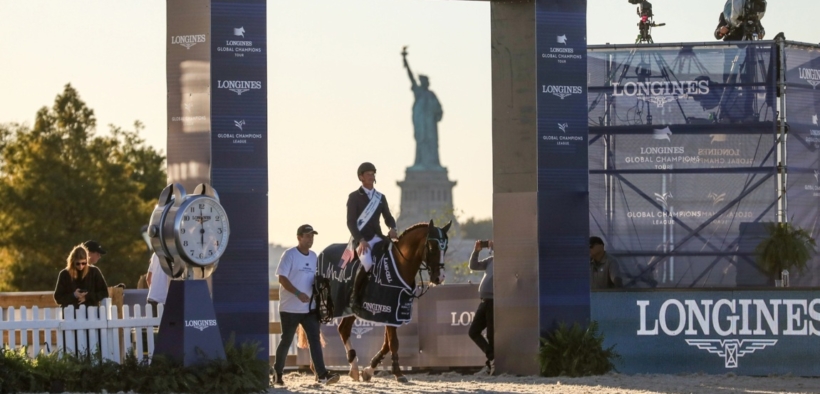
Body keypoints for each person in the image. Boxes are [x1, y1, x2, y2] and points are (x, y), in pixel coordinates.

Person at [272, 224, 339, 387]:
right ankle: (278, 372)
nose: (310, 239)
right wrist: (297, 293)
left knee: (314, 340)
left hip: (310, 308)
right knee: (286, 340)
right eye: (307, 236)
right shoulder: (290, 255)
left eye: (312, 236)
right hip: (290, 309)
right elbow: (282, 278)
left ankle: (322, 374)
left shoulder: (314, 256)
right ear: (299, 237)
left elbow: (315, 279)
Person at [346, 162, 398, 310]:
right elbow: (350, 222)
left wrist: (392, 227)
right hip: (362, 239)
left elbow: (388, 217)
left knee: (396, 258)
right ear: (361, 177)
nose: (371, 176)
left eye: (373, 174)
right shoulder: (354, 197)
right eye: (368, 174)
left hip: (378, 237)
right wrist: (361, 240)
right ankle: (355, 297)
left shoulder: (380, 197)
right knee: (367, 263)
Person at [468, 239, 495, 376]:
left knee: (491, 334)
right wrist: (476, 251)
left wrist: (494, 247)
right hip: (484, 301)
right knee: (473, 331)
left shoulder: (504, 260)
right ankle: (492, 358)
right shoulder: (491, 260)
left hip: (494, 301)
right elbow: (473, 266)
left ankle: (491, 364)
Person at [54, 244, 110, 308]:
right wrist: (74, 295)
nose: (81, 266)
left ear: (87, 261)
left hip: (91, 311)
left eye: (83, 263)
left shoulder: (94, 272)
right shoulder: (65, 274)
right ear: (72, 262)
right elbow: (58, 298)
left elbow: (104, 293)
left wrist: (87, 297)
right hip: (70, 311)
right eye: (77, 263)